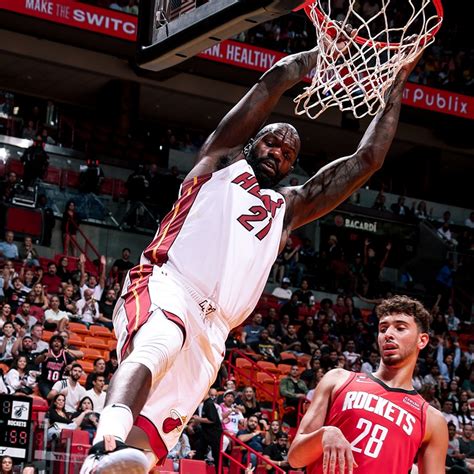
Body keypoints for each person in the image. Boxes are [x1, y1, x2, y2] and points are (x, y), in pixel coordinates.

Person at [80, 38, 423, 473]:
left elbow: (367, 160)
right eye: (271, 142)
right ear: (249, 145)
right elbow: (269, 85)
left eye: (287, 153)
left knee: (151, 439)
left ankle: (105, 466)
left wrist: (396, 86)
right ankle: (104, 438)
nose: (278, 151)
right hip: (171, 283)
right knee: (157, 343)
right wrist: (317, 59)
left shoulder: (287, 209)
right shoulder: (219, 165)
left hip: (215, 330)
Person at [288, 295, 448, 473]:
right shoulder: (338, 380)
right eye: (383, 328)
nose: (388, 334)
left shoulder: (432, 420)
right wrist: (324, 434)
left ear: (422, 340)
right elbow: (295, 458)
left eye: (400, 328)